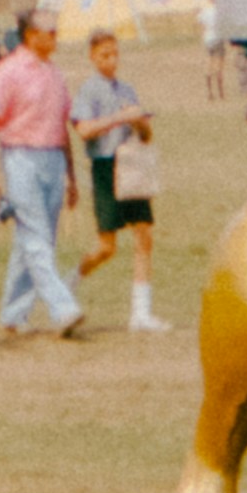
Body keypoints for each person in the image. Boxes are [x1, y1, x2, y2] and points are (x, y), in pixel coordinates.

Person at [0, 9, 83, 339]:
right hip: (20, 156)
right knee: (36, 236)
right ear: (30, 35)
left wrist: (71, 175)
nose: (55, 36)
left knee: (35, 239)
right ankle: (63, 307)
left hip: (52, 158)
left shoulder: (55, 73)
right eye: (49, 31)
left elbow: (62, 126)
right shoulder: (8, 72)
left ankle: (13, 313)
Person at [73, 28, 166, 332]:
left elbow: (146, 134)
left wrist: (140, 122)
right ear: (92, 56)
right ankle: (68, 284)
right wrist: (118, 118)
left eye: (115, 53)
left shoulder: (126, 89)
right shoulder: (88, 91)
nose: (112, 60)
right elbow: (84, 130)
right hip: (105, 167)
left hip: (131, 164)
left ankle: (141, 313)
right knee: (106, 246)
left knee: (143, 236)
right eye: (104, 55)